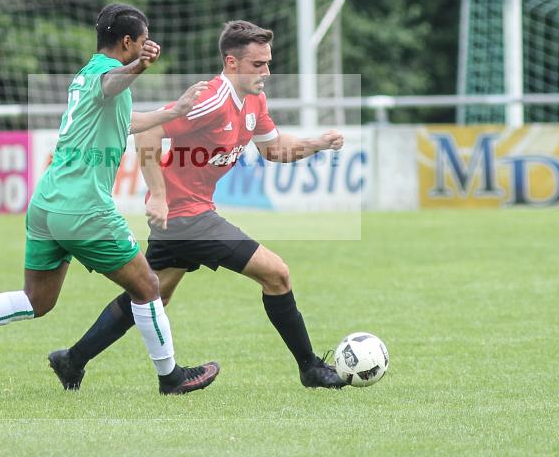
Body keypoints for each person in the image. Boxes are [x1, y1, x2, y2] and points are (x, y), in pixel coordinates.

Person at [0, 3, 220, 395]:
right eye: (142, 42)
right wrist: (139, 68)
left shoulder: (84, 75)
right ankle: (171, 376)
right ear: (128, 42)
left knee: (37, 300)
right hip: (83, 207)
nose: (147, 47)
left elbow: (125, 120)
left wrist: (175, 110)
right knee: (147, 286)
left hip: (46, 204)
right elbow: (113, 83)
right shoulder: (104, 75)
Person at [47, 20, 349, 391]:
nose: (266, 72)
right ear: (231, 62)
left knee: (150, 293)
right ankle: (310, 368)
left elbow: (272, 149)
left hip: (188, 214)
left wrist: (316, 143)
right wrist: (158, 196)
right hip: (186, 217)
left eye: (268, 63)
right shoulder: (211, 98)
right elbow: (149, 133)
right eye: (258, 64)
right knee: (277, 274)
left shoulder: (254, 99)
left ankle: (72, 359)